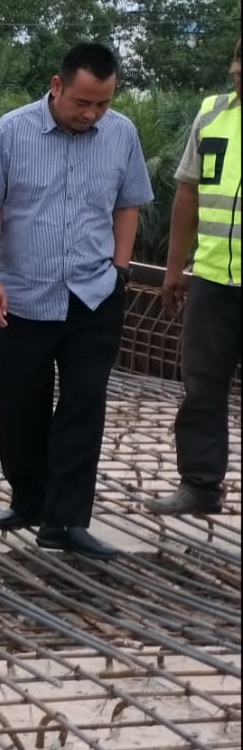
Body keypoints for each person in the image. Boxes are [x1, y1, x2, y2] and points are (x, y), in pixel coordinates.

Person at [0, 42, 153, 561]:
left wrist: (119, 268)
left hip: (94, 297)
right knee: (19, 409)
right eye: (82, 103)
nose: (92, 114)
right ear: (57, 86)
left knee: (82, 409)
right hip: (23, 296)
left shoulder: (122, 134)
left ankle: (66, 521)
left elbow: (128, 203)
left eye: (103, 103)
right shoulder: (13, 131)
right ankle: (30, 499)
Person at [146, 37, 241, 516]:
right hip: (212, 281)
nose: (240, 74)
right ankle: (200, 485)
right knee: (202, 387)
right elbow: (188, 192)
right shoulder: (212, 114)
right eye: (239, 64)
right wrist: (175, 267)